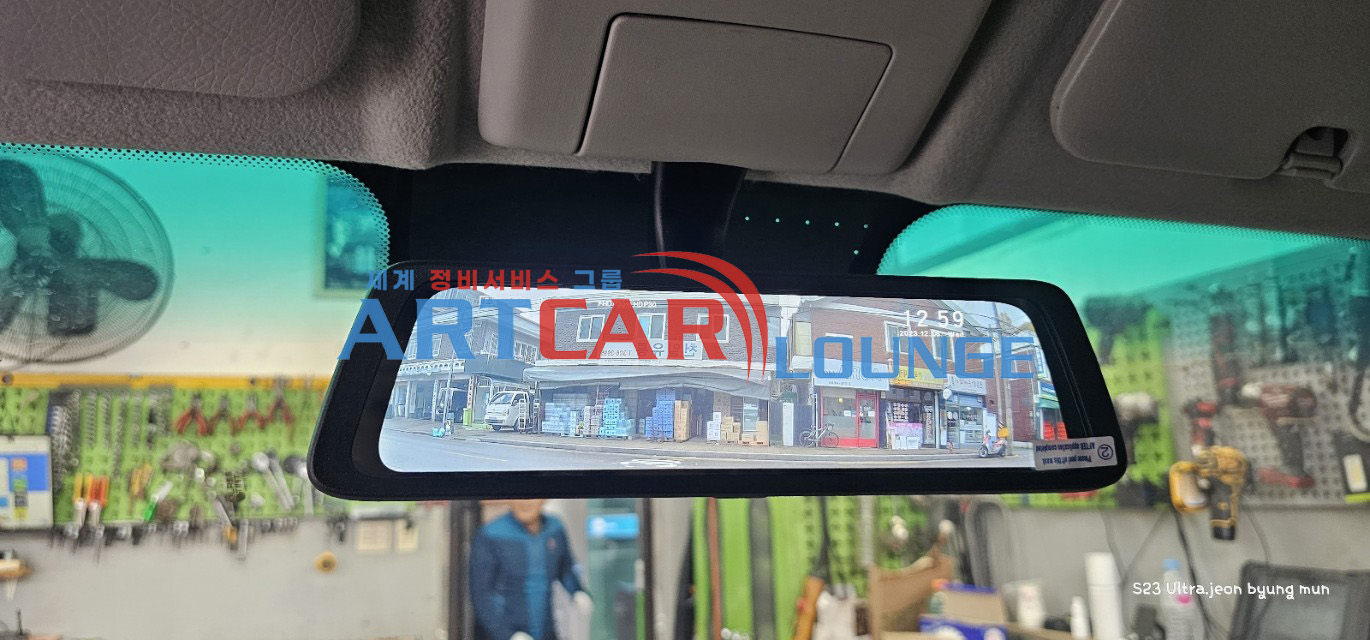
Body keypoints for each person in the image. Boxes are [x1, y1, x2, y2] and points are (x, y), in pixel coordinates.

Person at [470, 499, 593, 640]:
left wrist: (577, 591)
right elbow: (482, 594)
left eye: (532, 496)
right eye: (519, 496)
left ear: (544, 499)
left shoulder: (555, 529)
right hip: (506, 633)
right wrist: (507, 634)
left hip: (547, 632)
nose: (525, 503)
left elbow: (565, 567)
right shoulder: (491, 535)